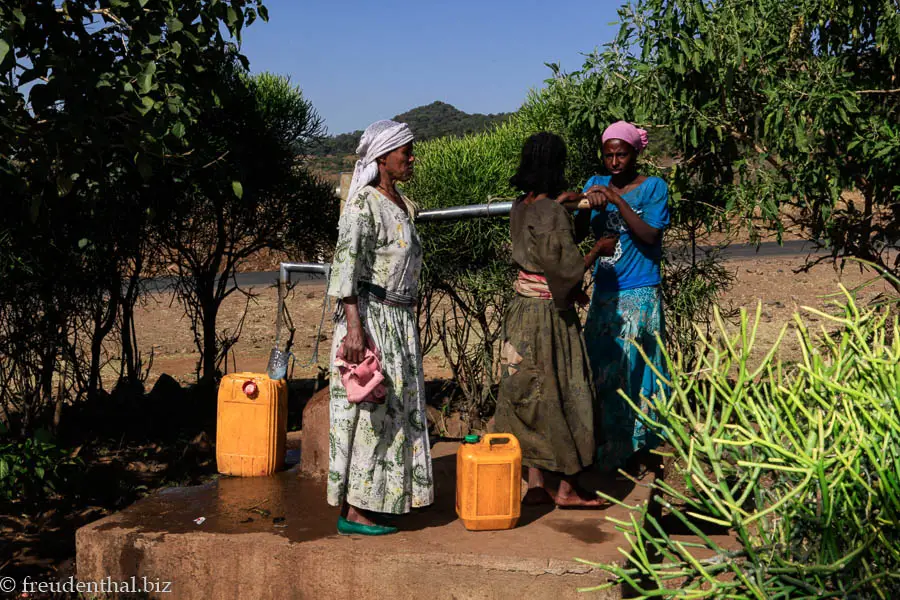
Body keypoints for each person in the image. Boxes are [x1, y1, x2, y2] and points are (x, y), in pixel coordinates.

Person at [495, 132, 617, 506]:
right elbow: (564, 273)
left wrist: (563, 208)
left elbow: (536, 250)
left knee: (529, 393)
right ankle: (567, 488)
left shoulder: (520, 206)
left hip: (520, 312)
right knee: (565, 392)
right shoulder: (550, 213)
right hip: (549, 316)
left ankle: (535, 483)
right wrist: (598, 249)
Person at [326, 120, 432, 536]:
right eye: (405, 151)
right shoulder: (362, 206)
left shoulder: (401, 203)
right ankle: (356, 511)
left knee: (394, 413)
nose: (411, 158)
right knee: (370, 412)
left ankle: (382, 500)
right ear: (384, 157)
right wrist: (355, 332)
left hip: (399, 320)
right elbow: (345, 268)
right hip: (371, 319)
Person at [576, 120, 670, 474]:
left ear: (635, 154)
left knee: (633, 371)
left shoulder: (653, 188)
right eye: (609, 155)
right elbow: (578, 231)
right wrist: (588, 206)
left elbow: (650, 235)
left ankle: (634, 449)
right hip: (605, 291)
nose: (615, 162)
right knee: (601, 370)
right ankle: (607, 447)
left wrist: (616, 200)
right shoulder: (594, 185)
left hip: (639, 291)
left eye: (622, 154)